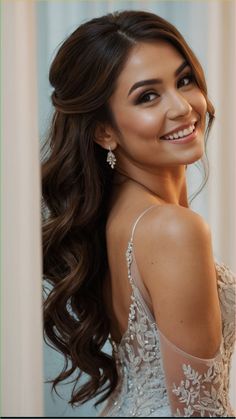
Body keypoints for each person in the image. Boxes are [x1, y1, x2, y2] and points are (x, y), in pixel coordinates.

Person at [41, 10, 235, 417]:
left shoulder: (118, 216)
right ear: (104, 131)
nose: (183, 107)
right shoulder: (173, 229)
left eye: (184, 80)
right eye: (148, 96)